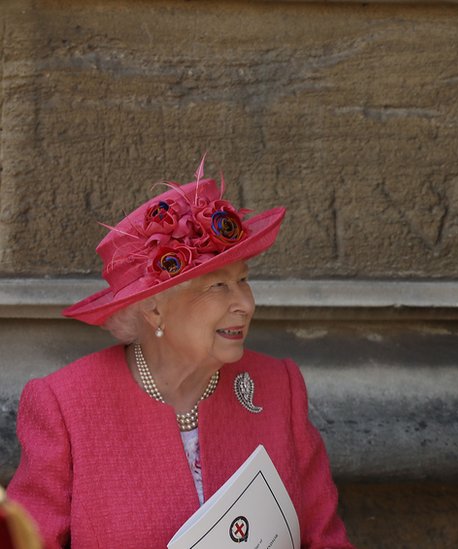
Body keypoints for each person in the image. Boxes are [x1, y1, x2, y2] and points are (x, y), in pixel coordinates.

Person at [6, 159, 355, 548]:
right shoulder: (66, 406)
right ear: (154, 308)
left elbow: (325, 539)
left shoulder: (278, 387)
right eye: (217, 286)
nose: (245, 304)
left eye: (243, 280)